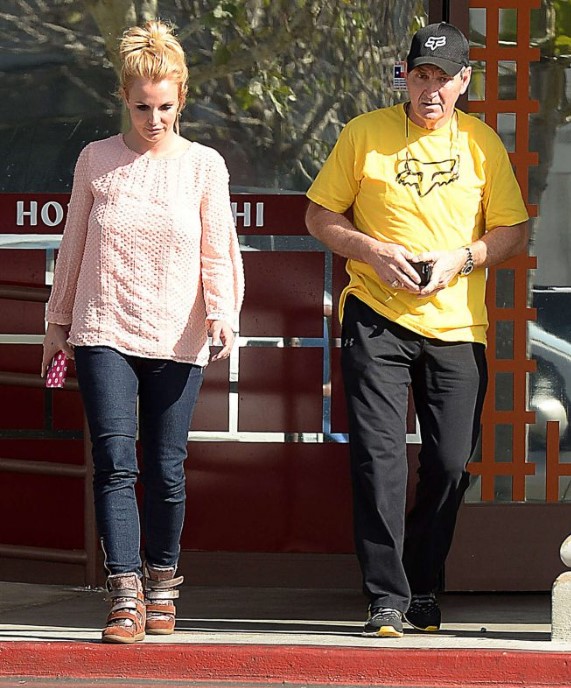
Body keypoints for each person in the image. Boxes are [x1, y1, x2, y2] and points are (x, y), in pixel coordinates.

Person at [305, 22, 529, 638]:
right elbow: (319, 215)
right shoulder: (364, 133)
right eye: (420, 75)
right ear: (404, 76)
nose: (430, 90)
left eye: (443, 78)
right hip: (376, 316)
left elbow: (513, 231)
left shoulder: (482, 143)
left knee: (450, 463)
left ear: (464, 81)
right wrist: (372, 250)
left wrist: (464, 259)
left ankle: (422, 583)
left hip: (457, 324)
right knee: (379, 461)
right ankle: (386, 596)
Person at [41, 19, 244, 644]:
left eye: (164, 107)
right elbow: (73, 244)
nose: (153, 119)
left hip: (178, 333)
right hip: (102, 325)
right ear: (123, 100)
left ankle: (162, 583)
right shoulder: (96, 160)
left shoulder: (204, 166)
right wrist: (56, 323)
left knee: (167, 467)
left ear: (181, 99)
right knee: (114, 461)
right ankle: (124, 592)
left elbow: (218, 250)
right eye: (141, 107)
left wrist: (223, 311)